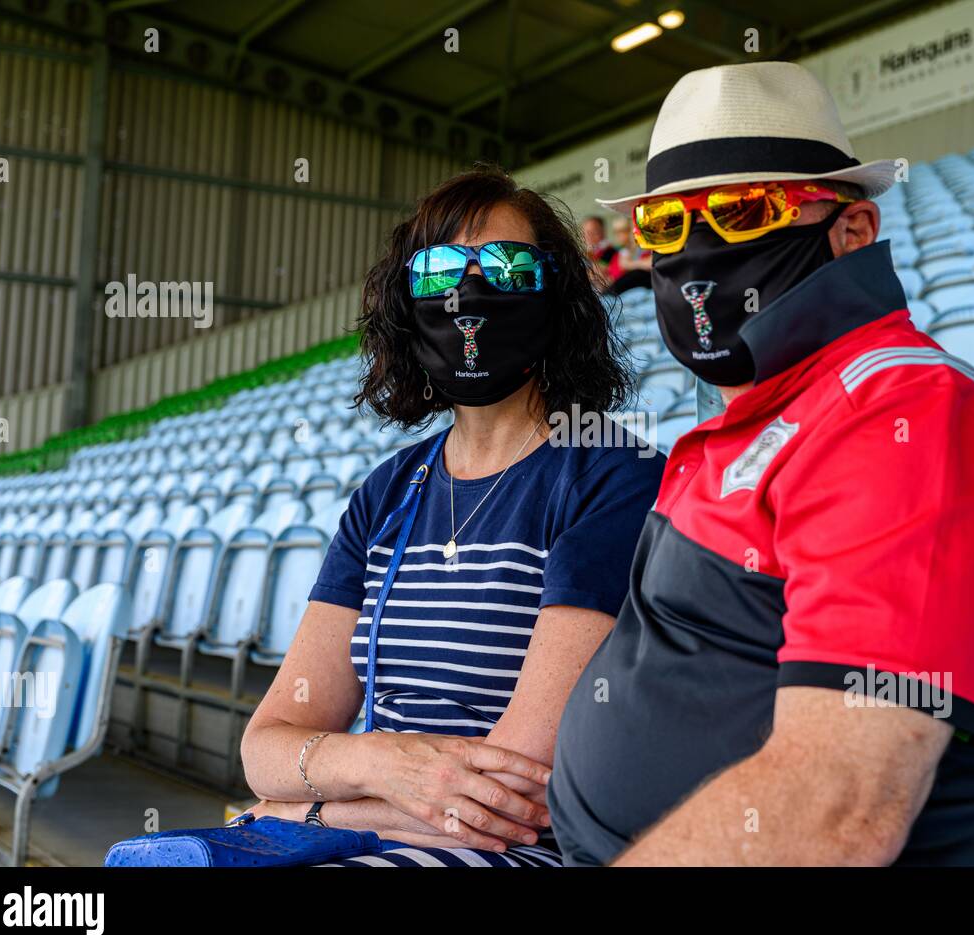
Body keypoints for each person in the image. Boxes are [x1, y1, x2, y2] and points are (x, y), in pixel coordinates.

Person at [548, 62, 974, 866]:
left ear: (853, 232)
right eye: (663, 225)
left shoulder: (908, 419)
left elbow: (839, 815)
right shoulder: (761, 408)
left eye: (742, 211)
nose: (695, 249)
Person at [240, 167, 665, 867]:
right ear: (407, 304)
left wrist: (305, 806)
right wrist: (376, 766)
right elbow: (267, 743)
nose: (468, 294)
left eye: (507, 267)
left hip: (520, 851)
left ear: (555, 297)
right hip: (386, 830)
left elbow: (512, 794)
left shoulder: (612, 477)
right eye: (436, 271)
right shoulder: (387, 492)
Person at [604, 215, 653, 295]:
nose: (619, 235)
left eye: (623, 231)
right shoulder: (619, 253)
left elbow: (653, 263)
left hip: (639, 291)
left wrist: (629, 264)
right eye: (616, 232)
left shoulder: (645, 248)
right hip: (620, 294)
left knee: (638, 273)